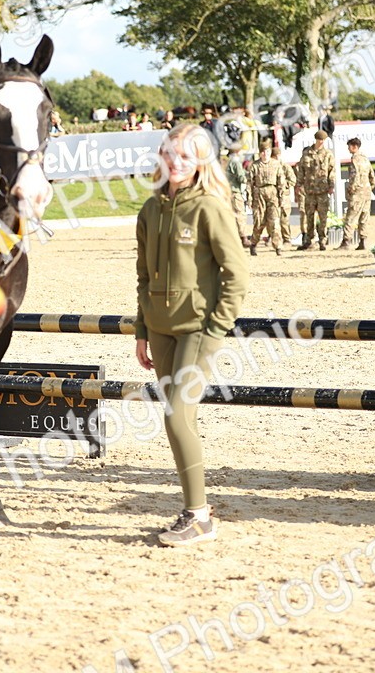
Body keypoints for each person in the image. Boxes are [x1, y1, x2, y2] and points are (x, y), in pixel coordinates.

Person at [134, 123, 249, 547]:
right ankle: (195, 506)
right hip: (160, 332)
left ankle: (198, 516)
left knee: (175, 416)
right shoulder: (149, 209)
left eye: (184, 155)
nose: (174, 162)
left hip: (198, 330)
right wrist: (142, 330)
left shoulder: (210, 208)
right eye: (168, 153)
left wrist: (217, 326)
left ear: (201, 160)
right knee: (180, 417)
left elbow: (236, 274)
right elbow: (143, 276)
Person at [297, 130, 335, 250]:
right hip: (310, 190)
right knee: (309, 216)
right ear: (316, 140)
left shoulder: (328, 154)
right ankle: (309, 240)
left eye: (323, 140)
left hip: (323, 191)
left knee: (323, 217)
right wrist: (299, 184)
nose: (321, 142)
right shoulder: (307, 153)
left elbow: (331, 171)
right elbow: (301, 170)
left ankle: (323, 240)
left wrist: (331, 185)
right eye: (319, 139)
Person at [338, 137, 375, 250]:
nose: (348, 148)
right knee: (364, 217)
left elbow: (354, 177)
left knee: (350, 217)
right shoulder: (366, 159)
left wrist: (351, 190)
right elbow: (372, 178)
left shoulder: (355, 160)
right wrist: (368, 188)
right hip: (366, 192)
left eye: (349, 146)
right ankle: (363, 241)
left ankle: (346, 241)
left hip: (357, 193)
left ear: (354, 146)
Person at [248, 140, 284, 256]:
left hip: (272, 193)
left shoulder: (276, 164)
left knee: (274, 221)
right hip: (259, 194)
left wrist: (281, 197)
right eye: (263, 152)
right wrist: (249, 199)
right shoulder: (255, 165)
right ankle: (253, 243)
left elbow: (281, 182)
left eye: (267, 151)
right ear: (260, 153)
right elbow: (249, 183)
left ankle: (278, 246)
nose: (265, 154)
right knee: (259, 222)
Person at [224, 146, 249, 247]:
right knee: (240, 215)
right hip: (235, 192)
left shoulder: (225, 162)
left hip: (227, 192)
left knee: (230, 216)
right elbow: (242, 178)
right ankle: (243, 238)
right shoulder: (236, 162)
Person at [272, 145, 295, 247]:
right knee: (272, 218)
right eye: (275, 156)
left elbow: (293, 180)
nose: (277, 158)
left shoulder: (285, 167)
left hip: (284, 197)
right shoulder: (270, 167)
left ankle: (287, 239)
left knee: (284, 219)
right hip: (273, 196)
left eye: (278, 156)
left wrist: (283, 185)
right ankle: (273, 238)